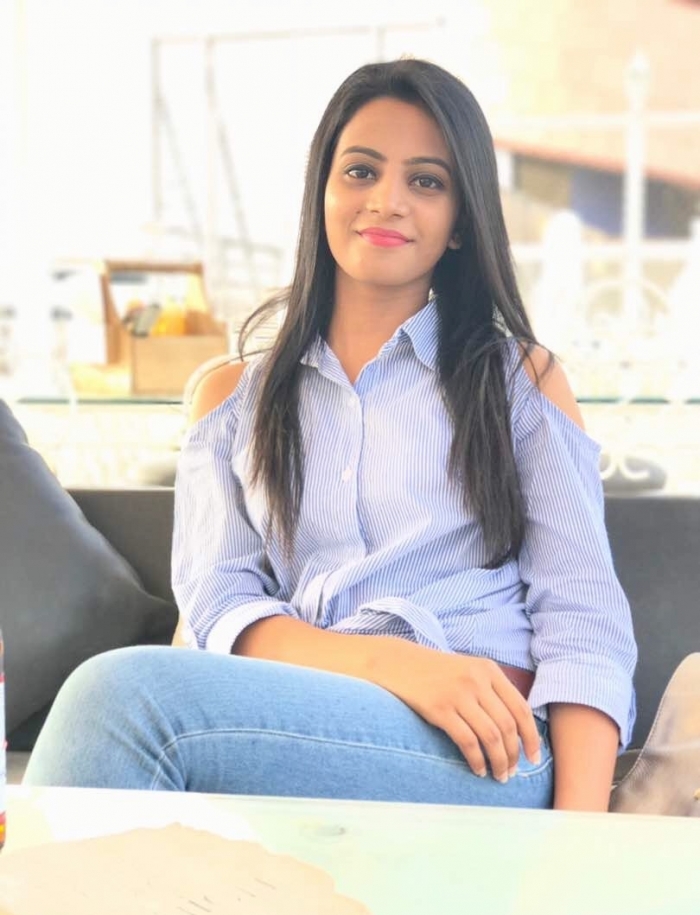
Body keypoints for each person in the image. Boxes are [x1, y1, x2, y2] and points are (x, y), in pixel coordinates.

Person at [24, 58, 637, 812]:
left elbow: (585, 623)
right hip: (310, 710)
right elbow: (220, 607)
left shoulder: (519, 381)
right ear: (322, 191)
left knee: (120, 699)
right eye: (361, 171)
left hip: (487, 742)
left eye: (426, 181)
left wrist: (578, 841)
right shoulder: (231, 400)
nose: (387, 201)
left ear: (459, 222)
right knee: (124, 703)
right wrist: (389, 663)